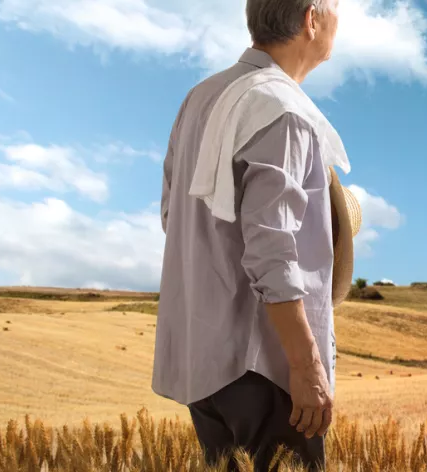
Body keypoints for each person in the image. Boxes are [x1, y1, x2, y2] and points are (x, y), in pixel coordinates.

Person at [151, 0, 348, 470]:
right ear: (311, 19)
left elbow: (170, 215)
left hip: (202, 362)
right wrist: (305, 365)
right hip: (263, 365)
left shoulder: (201, 97)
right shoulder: (284, 111)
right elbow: (273, 248)